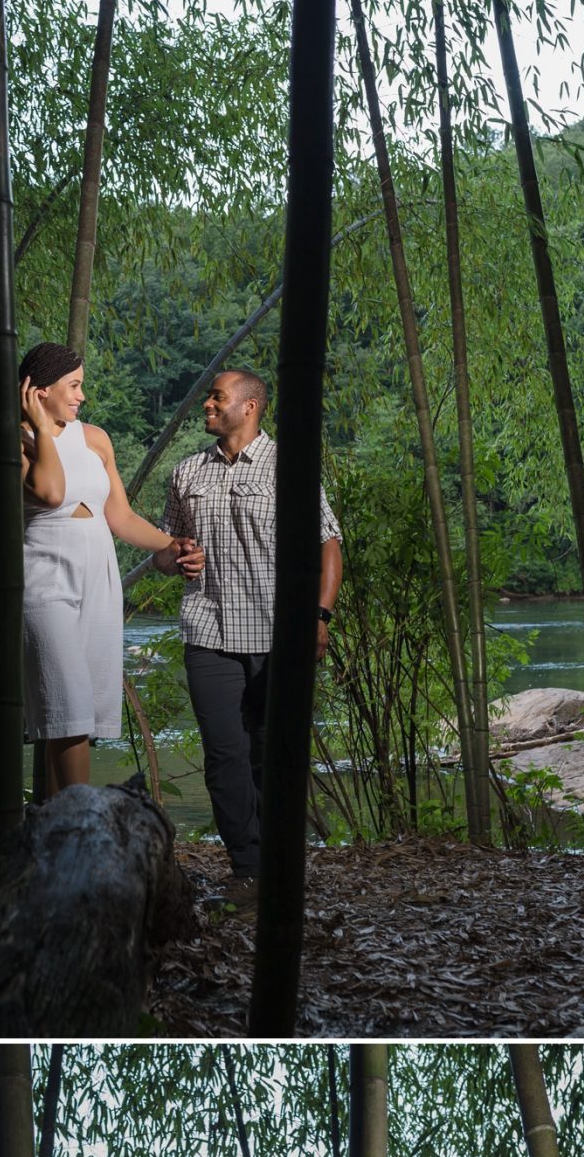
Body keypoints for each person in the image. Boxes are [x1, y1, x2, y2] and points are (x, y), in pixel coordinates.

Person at [153, 370, 343, 903]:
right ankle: (248, 868)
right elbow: (165, 553)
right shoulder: (187, 471)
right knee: (224, 755)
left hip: (278, 634)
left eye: (218, 397)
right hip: (207, 630)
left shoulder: (290, 467)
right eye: (210, 396)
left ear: (251, 406)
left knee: (271, 753)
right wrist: (175, 556)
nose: (207, 404)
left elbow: (329, 545)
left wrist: (319, 617)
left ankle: (280, 862)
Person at [19, 343, 198, 799]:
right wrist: (41, 427)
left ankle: (56, 820)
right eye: (74, 386)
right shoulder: (16, 439)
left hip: (98, 574)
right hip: (45, 575)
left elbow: (120, 518)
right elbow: (52, 491)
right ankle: (81, 821)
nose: (82, 396)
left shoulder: (95, 439)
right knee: (68, 702)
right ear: (40, 392)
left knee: (73, 715)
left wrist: (173, 545)